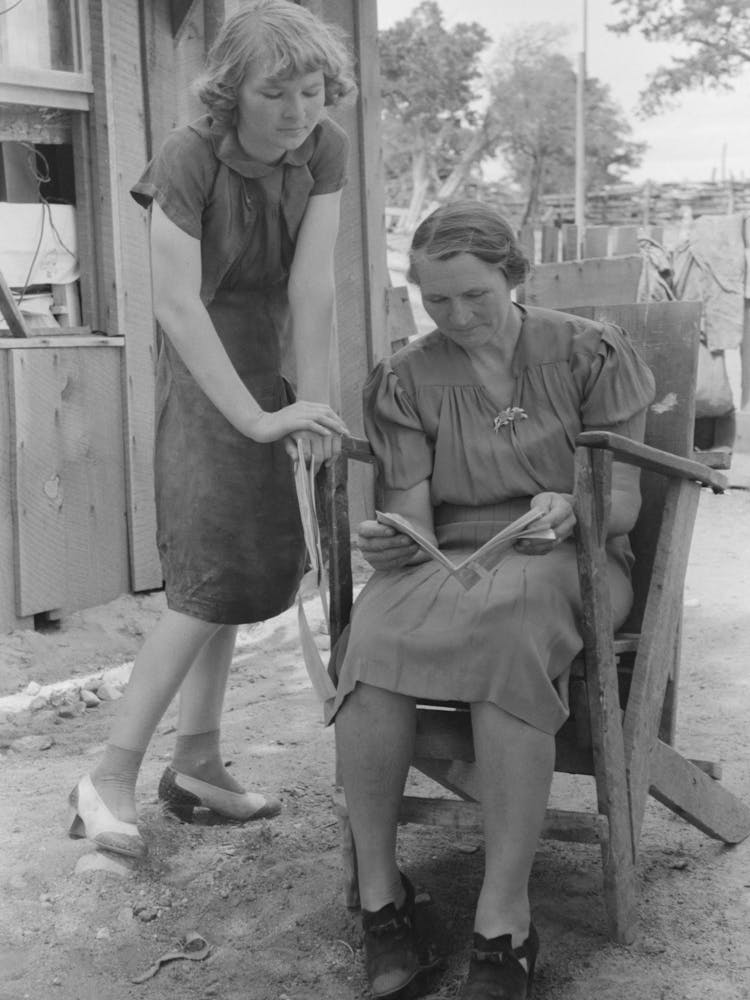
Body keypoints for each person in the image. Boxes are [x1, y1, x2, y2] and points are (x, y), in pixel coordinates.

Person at [330, 201, 656, 1000]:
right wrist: (392, 538)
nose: (455, 315)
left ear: (516, 277)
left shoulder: (588, 353)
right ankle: (381, 896)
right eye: (435, 299)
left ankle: (504, 917)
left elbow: (624, 507)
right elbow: (410, 505)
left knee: (511, 632)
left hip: (572, 560)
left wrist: (574, 506)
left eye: (474, 295)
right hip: (451, 559)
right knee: (369, 641)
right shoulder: (406, 376)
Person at [68, 0, 354, 860]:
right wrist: (257, 415)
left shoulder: (323, 151)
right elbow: (174, 305)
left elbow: (313, 291)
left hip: (269, 368)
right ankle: (108, 777)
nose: (299, 111)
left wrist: (315, 408)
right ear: (232, 91)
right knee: (205, 580)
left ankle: (196, 767)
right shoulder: (188, 158)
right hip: (204, 379)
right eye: (277, 94)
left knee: (247, 576)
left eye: (311, 90)